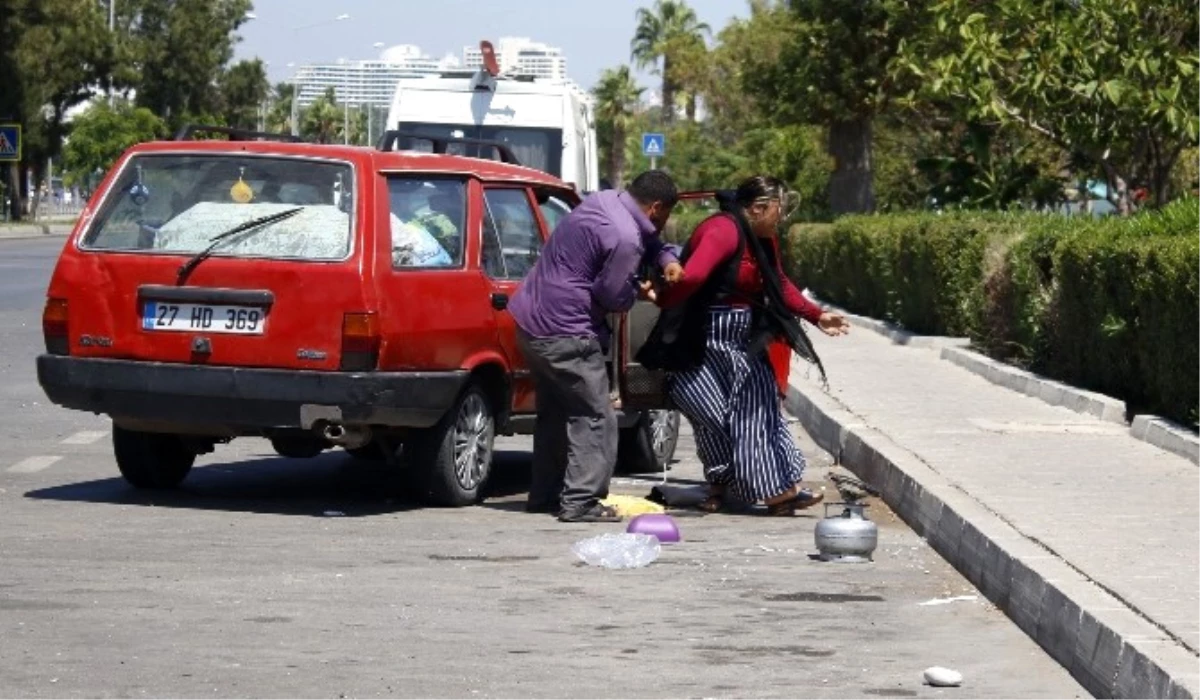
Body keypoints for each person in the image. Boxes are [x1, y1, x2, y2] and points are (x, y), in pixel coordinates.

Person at [656, 175, 850, 516]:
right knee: (714, 416)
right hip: (703, 336)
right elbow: (695, 276)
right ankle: (759, 487)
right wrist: (663, 296)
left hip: (744, 337)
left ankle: (772, 488)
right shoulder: (723, 230)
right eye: (778, 210)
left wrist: (816, 315)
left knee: (756, 411)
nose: (781, 218)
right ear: (759, 208)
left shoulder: (763, 239)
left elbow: (779, 283)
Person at [508, 171, 683, 523]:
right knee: (595, 417)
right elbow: (613, 295)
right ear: (656, 208)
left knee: (557, 415)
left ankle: (546, 495)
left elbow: (648, 241)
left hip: (530, 323)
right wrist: (641, 291)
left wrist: (667, 259)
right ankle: (581, 501)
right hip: (567, 332)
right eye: (663, 219)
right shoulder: (625, 238)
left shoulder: (604, 201)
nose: (662, 226)